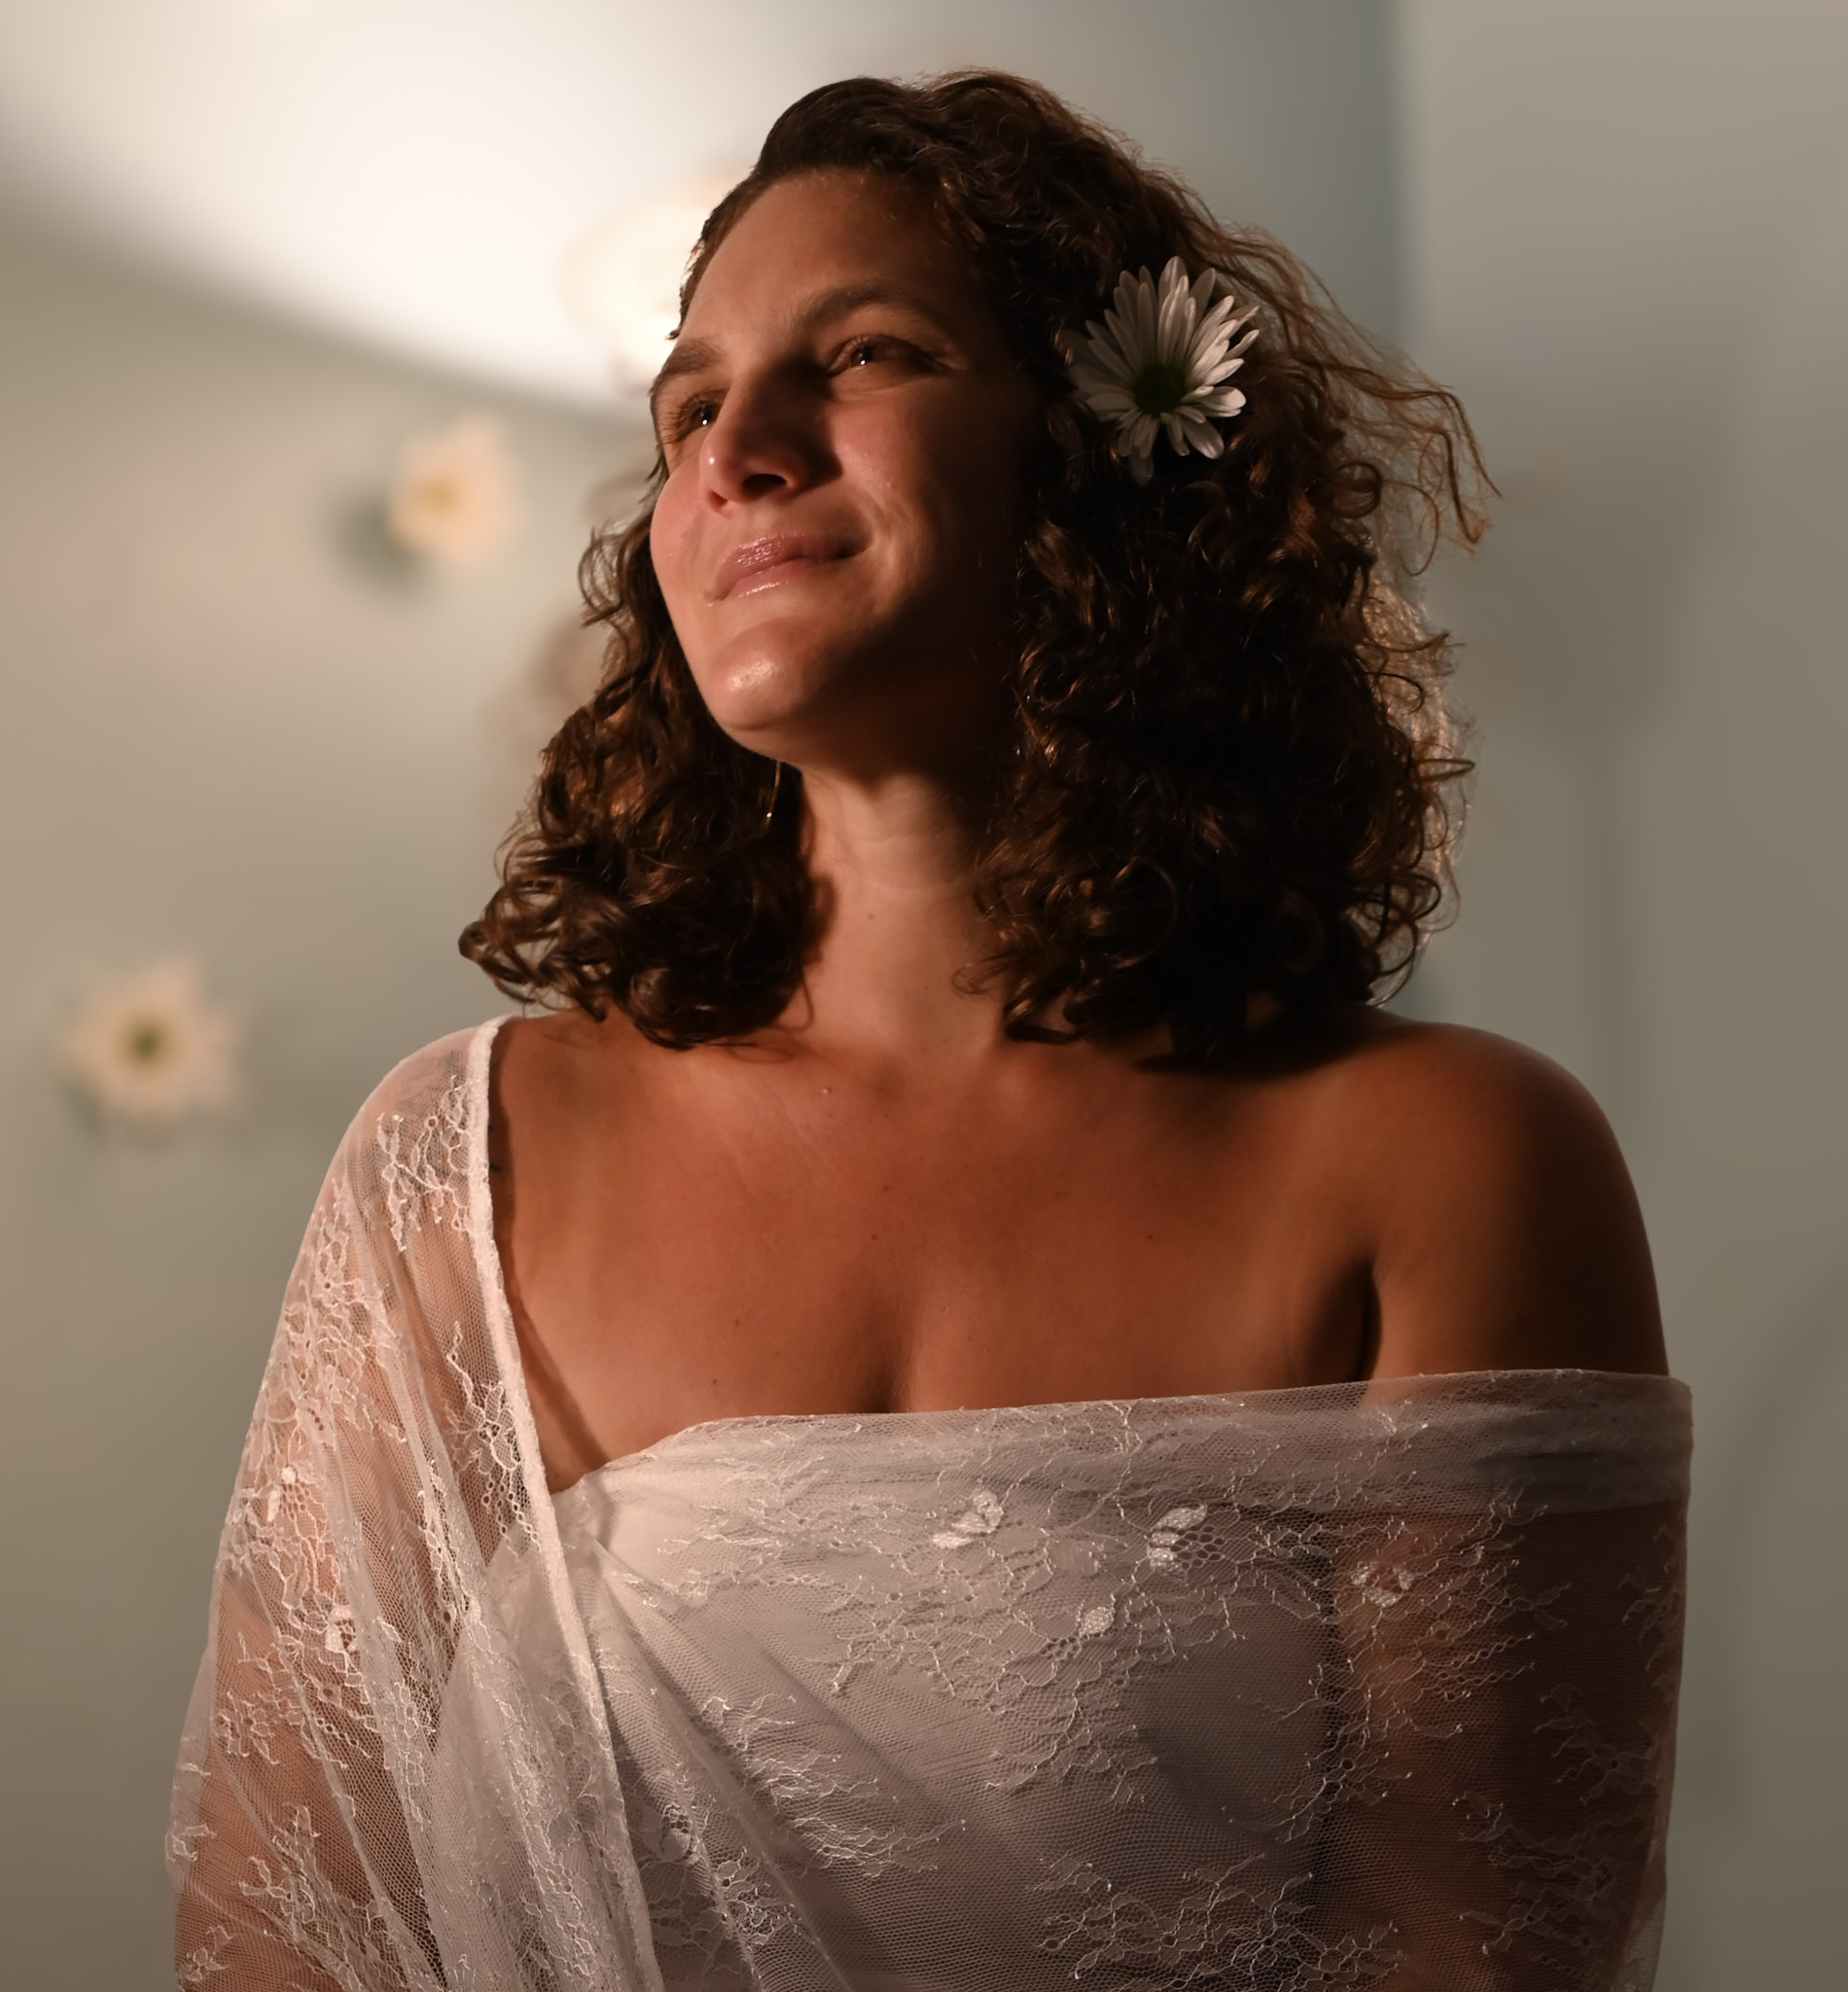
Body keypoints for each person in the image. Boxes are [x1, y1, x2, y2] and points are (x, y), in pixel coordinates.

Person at [170, 73, 1688, 1992]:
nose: (740, 449)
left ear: (1106, 452)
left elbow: (1472, 1945)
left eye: (865, 355)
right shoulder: (466, 1166)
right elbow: (282, 1925)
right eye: (689, 408)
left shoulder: (1448, 1163)